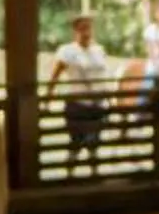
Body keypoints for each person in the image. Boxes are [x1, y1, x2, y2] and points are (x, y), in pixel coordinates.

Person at [46, 12, 113, 165]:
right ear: (75, 31)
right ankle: (70, 174)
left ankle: (93, 176)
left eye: (88, 28)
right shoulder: (67, 51)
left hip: (97, 104)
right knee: (76, 142)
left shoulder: (99, 51)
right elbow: (55, 76)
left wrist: (109, 99)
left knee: (94, 143)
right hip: (78, 105)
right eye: (82, 28)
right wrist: (47, 99)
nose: (86, 32)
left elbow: (104, 77)